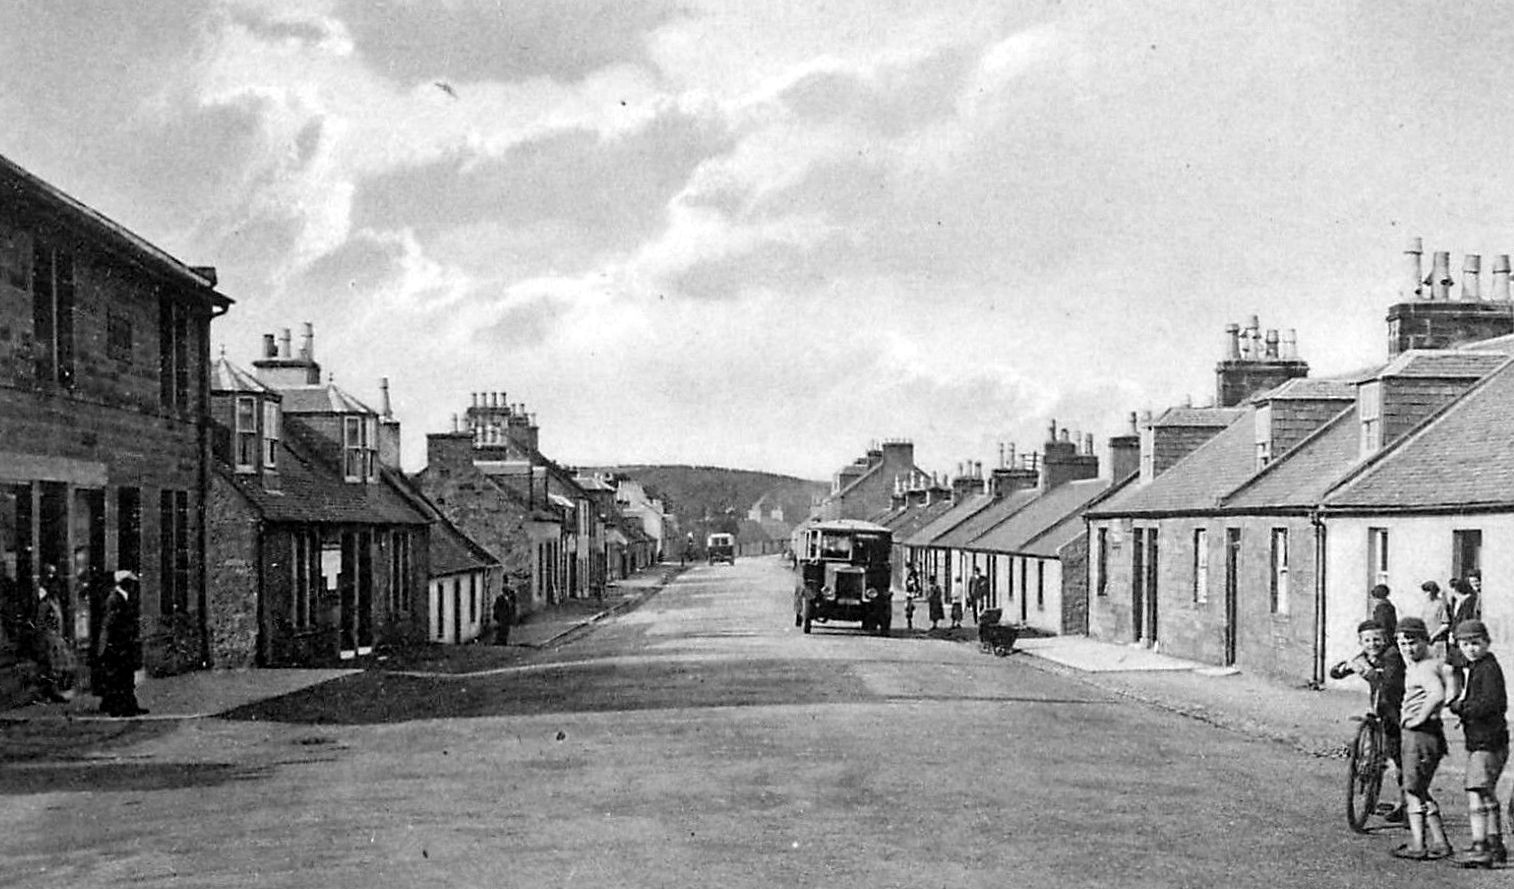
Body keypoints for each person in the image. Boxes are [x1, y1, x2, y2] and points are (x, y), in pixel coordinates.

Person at [1392, 616, 1460, 861]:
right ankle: (1441, 842)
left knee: (1412, 791)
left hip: (1419, 735)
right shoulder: (1433, 663)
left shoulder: (1423, 668)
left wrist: (1419, 718)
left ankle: (1418, 844)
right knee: (1421, 789)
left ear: (1425, 640)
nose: (1408, 649)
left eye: (1412, 643)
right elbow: (1451, 688)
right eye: (1402, 644)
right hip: (1431, 734)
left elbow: (1437, 694)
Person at [1329, 619, 1406, 823]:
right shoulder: (1365, 656)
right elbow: (1336, 673)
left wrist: (1369, 672)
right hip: (1379, 707)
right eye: (1368, 640)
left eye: (1377, 639)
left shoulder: (1392, 655)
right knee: (1375, 751)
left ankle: (1408, 804)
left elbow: (1390, 682)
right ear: (1361, 642)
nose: (1373, 644)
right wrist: (1345, 667)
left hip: (1398, 709)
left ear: (1385, 640)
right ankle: (1370, 774)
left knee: (1400, 758)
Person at [1448, 619, 1508, 868]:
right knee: (1487, 792)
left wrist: (1461, 707)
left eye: (1476, 643)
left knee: (1475, 792)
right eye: (1465, 644)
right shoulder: (1481, 664)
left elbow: (1492, 704)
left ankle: (1480, 846)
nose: (1470, 649)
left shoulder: (1487, 669)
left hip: (1486, 740)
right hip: (1491, 739)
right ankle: (1496, 844)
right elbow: (1454, 659)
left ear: (1487, 643)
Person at [96, 570, 146, 717]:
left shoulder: (124, 598)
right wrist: (104, 646)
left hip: (125, 644)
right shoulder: (114, 599)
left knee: (127, 676)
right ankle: (119, 707)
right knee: (119, 676)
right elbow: (108, 624)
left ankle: (130, 704)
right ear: (125, 584)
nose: (133, 587)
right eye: (131, 584)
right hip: (117, 645)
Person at [32, 565, 74, 704]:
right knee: (50, 667)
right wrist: (42, 635)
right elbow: (39, 621)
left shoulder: (55, 601)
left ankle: (54, 691)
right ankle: (48, 692)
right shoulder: (45, 602)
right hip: (48, 637)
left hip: (55, 636)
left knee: (58, 667)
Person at [1446, 578, 1481, 672]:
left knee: (1463, 665)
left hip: (1462, 637)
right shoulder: (1465, 602)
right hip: (1460, 637)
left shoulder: (1468, 603)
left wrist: (1454, 634)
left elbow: (1463, 621)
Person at [1420, 581, 1451, 660]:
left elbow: (1445, 624)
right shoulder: (1426, 604)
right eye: (1424, 592)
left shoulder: (1441, 604)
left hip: (1438, 641)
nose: (1425, 594)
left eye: (1428, 592)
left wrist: (1433, 636)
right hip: (1426, 640)